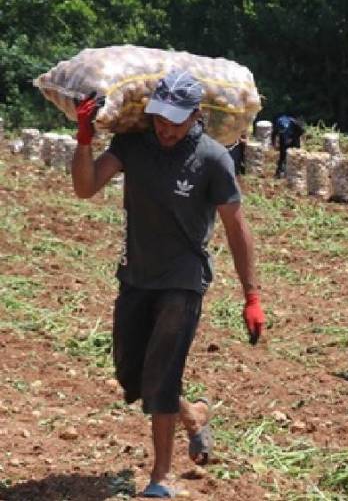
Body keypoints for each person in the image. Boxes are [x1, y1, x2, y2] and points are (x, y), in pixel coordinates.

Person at [70, 71, 265, 498]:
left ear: (196, 116)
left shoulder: (213, 159)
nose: (166, 126)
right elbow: (85, 188)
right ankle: (192, 415)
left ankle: (160, 477)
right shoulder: (133, 146)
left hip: (183, 280)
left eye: (176, 120)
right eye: (160, 117)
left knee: (162, 372)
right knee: (131, 376)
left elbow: (236, 226)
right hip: (137, 276)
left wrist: (251, 295)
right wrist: (84, 137)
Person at [272, 113, 305, 178]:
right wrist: (274, 144)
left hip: (293, 138)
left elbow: (301, 132)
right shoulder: (280, 124)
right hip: (285, 139)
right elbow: (274, 134)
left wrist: (293, 139)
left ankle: (294, 173)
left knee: (294, 155)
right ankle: (280, 173)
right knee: (283, 157)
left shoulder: (294, 124)